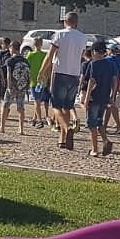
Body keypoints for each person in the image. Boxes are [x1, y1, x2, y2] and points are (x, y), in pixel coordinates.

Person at [44, 11, 89, 150]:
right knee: (68, 107)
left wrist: (42, 71)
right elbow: (81, 55)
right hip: (74, 74)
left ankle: (66, 127)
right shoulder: (83, 38)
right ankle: (62, 139)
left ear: (65, 21)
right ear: (76, 23)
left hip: (60, 72)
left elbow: (50, 55)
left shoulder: (59, 34)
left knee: (56, 106)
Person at [83, 39, 120, 157]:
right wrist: (112, 96)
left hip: (95, 97)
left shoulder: (93, 64)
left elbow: (91, 81)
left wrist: (86, 97)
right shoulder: (111, 63)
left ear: (94, 52)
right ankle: (105, 140)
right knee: (99, 121)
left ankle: (94, 149)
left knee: (92, 123)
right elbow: (115, 80)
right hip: (105, 97)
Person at [0, 42, 31, 135]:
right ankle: (21, 129)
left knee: (5, 106)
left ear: (12, 48)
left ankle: (2, 127)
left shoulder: (10, 60)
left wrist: (9, 86)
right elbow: (29, 74)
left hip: (13, 86)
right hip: (22, 86)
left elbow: (9, 73)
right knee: (21, 108)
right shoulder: (25, 61)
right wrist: (27, 85)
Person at [26, 36, 49, 128]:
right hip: (43, 81)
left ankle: (39, 120)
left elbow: (27, 68)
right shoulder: (44, 55)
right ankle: (34, 118)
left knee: (37, 101)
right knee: (38, 100)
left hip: (34, 80)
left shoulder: (30, 55)